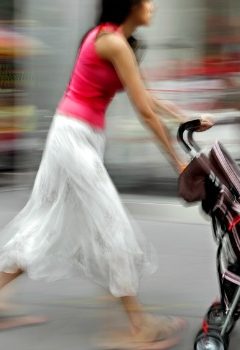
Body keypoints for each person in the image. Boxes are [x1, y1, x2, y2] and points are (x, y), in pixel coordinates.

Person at [0, 0, 212, 347]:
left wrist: (184, 116)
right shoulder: (110, 40)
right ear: (129, 5)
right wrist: (178, 162)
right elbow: (144, 112)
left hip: (75, 137)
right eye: (146, 0)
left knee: (45, 222)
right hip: (73, 140)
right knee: (111, 226)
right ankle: (138, 325)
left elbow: (145, 97)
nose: (153, 5)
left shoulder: (119, 42)